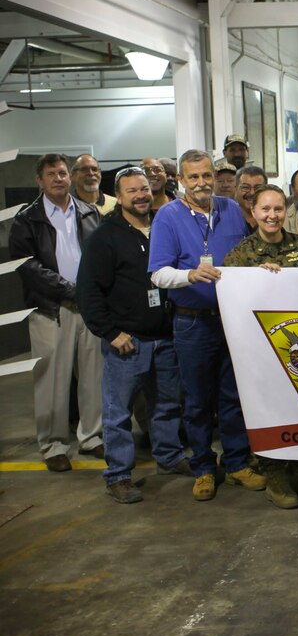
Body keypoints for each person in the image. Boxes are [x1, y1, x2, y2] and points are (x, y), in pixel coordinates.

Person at [148, 149, 266, 501]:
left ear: (215, 177)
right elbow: (158, 274)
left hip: (233, 321)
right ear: (181, 180)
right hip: (192, 324)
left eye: (206, 175)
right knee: (197, 400)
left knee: (233, 396)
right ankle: (202, 467)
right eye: (193, 177)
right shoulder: (168, 216)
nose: (201, 182)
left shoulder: (230, 209)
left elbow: (248, 255)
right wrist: (189, 275)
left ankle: (235, 462)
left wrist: (265, 268)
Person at [75, 167, 189, 503]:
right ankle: (118, 476)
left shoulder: (163, 226)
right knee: (118, 412)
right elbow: (88, 291)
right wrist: (111, 332)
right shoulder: (104, 236)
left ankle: (168, 457)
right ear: (119, 197)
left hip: (165, 337)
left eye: (144, 189)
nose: (141, 195)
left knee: (167, 405)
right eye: (131, 191)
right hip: (127, 341)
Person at [224, 185, 298, 509]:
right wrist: (254, 279)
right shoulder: (240, 256)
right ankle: (275, 474)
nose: (272, 216)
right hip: (261, 353)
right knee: (267, 410)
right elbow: (230, 300)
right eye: (265, 209)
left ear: (286, 211)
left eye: (278, 209)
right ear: (253, 213)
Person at [9, 154, 104, 472]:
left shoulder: (89, 212)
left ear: (71, 177)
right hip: (51, 310)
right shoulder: (27, 218)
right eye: (52, 174)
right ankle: (52, 445)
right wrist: (69, 289)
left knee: (93, 376)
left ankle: (91, 436)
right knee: (52, 380)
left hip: (89, 308)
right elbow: (27, 265)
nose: (59, 178)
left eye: (63, 173)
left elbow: (102, 255)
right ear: (40, 181)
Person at [233, 165, 268, 231]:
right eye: (245, 187)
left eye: (258, 188)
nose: (252, 192)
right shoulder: (226, 221)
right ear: (236, 189)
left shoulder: (273, 219)